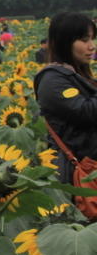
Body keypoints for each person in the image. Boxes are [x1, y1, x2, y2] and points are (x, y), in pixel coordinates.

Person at [34, 12, 97, 186]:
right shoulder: (52, 79)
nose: (92, 46)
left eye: (92, 39)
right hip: (74, 173)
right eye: (85, 41)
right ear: (64, 43)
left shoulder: (76, 74)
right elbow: (86, 112)